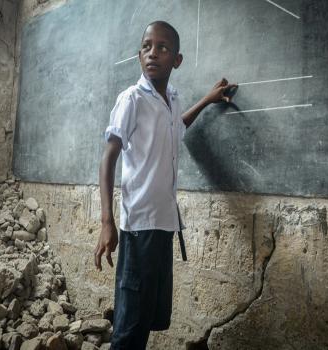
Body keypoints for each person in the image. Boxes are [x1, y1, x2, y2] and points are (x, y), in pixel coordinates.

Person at [94, 20, 236, 350]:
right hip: (140, 226)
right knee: (129, 324)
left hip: (163, 225)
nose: (153, 53)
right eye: (146, 46)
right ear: (139, 55)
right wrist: (106, 221)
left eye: (163, 48)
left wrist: (206, 100)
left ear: (177, 60)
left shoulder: (170, 99)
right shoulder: (132, 100)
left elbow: (177, 126)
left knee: (148, 317)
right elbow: (108, 157)